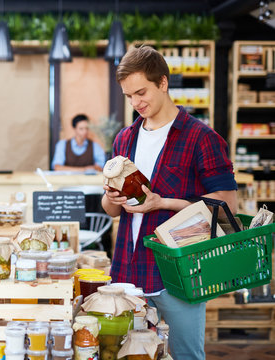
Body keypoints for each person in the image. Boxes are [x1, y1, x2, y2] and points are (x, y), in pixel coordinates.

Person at [102, 46, 237, 360]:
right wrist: (111, 198)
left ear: (163, 82)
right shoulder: (124, 139)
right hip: (127, 271)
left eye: (141, 92)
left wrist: (162, 203)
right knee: (123, 354)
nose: (136, 103)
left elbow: (226, 204)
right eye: (129, 96)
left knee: (187, 355)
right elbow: (111, 211)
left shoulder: (202, 138)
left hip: (178, 272)